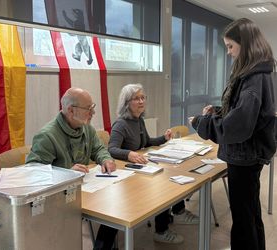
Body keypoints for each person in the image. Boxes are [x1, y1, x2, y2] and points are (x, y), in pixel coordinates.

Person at [189, 18, 276, 250]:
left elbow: (237, 126)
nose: (228, 52)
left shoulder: (254, 77)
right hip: (250, 154)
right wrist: (218, 111)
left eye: (230, 46)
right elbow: (245, 112)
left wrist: (202, 123)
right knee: (250, 214)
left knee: (243, 220)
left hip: (244, 156)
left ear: (245, 44)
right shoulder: (259, 73)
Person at [26, 87, 116, 249]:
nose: (93, 113)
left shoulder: (86, 128)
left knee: (115, 205)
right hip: (58, 199)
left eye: (92, 108)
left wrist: (105, 160)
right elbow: (33, 172)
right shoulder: (47, 135)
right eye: (89, 109)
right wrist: (66, 173)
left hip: (86, 190)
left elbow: (99, 149)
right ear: (70, 110)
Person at [107, 83, 197, 245]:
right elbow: (111, 149)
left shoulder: (139, 120)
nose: (141, 101)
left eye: (143, 98)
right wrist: (129, 154)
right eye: (136, 98)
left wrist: (163, 138)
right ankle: (161, 230)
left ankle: (178, 211)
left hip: (140, 168)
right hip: (126, 174)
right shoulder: (121, 124)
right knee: (162, 185)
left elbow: (146, 142)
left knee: (170, 175)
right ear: (127, 102)